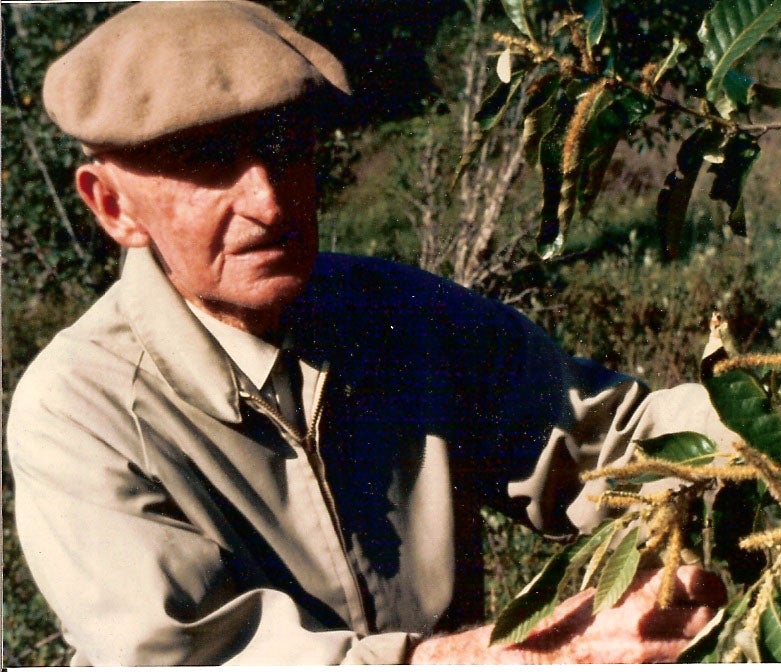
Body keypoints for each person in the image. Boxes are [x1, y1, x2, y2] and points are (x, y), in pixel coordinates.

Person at [7, 1, 738, 664]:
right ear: (112, 207)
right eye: (208, 162)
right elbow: (190, 659)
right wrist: (517, 654)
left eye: (285, 145)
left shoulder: (399, 314)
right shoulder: (80, 409)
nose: (267, 200)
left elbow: (609, 441)